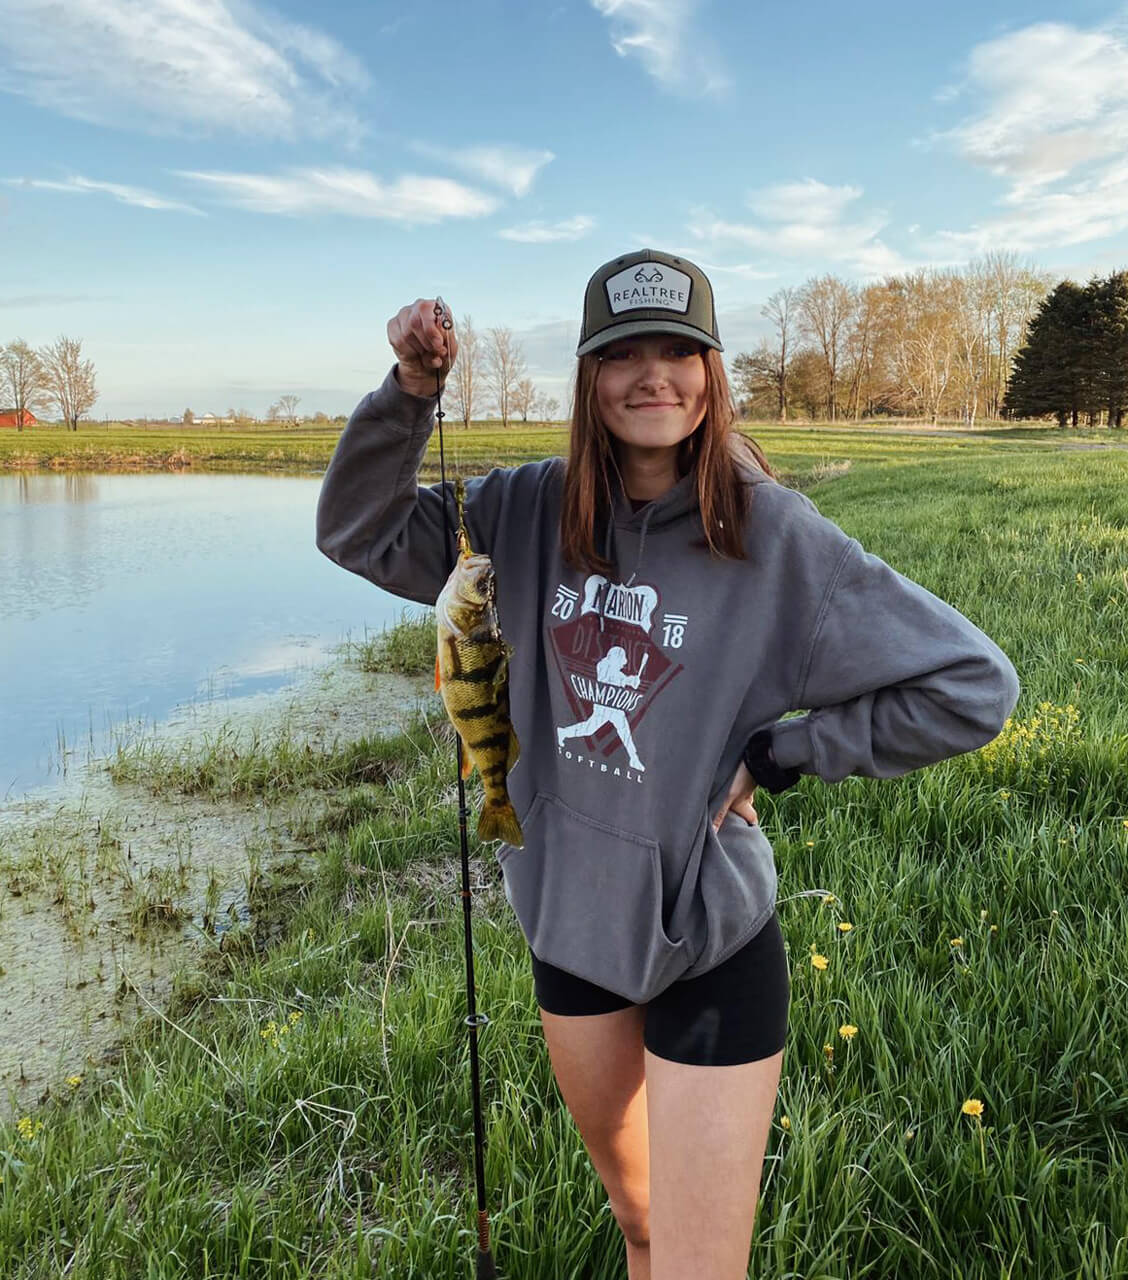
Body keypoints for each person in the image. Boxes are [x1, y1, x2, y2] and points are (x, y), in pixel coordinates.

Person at [315, 249, 1020, 1280]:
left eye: (679, 351)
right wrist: (412, 392)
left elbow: (972, 685)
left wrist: (785, 750)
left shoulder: (773, 535)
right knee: (639, 1222)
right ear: (589, 378)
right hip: (570, 927)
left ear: (711, 369)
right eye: (623, 353)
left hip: (710, 943)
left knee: (697, 1264)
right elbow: (356, 528)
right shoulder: (518, 511)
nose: (654, 376)